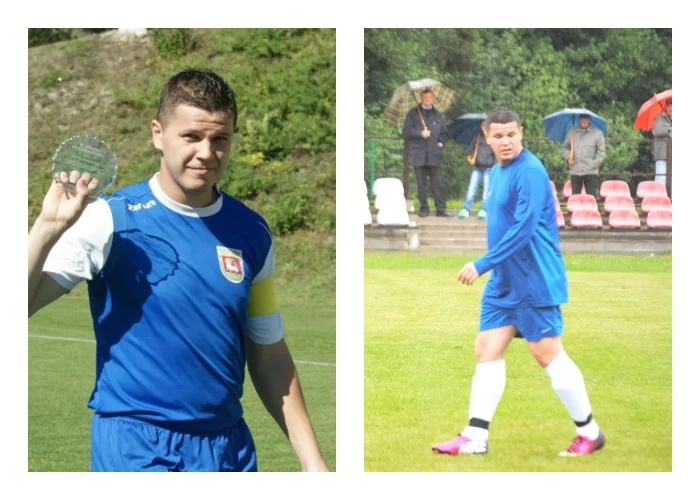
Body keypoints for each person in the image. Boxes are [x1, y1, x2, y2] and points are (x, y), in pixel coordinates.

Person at [28, 68, 330, 472]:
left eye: (219, 139)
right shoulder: (110, 219)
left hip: (228, 448)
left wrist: (314, 463)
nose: (206, 152)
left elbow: (269, 350)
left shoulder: (251, 232)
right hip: (137, 445)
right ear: (158, 133)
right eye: (191, 136)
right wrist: (46, 227)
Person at [432, 107, 605, 457]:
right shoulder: (497, 171)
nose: (506, 141)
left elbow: (523, 229)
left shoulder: (530, 172)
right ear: (487, 137)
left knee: (546, 352)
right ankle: (475, 436)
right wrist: (494, 269)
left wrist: (482, 264)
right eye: (498, 136)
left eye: (511, 134)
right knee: (487, 348)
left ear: (521, 133)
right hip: (504, 282)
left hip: (532, 279)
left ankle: (590, 432)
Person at [403, 89, 449, 217]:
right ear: (421, 98)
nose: (427, 99)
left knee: (438, 183)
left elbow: (444, 134)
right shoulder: (412, 114)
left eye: (430, 97)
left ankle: (441, 209)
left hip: (435, 154)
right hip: (419, 154)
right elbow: (406, 132)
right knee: (421, 183)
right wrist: (420, 133)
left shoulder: (439, 115)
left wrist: (441, 143)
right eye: (425, 97)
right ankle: (424, 208)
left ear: (433, 98)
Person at [561, 113, 606, 199]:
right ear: (579, 119)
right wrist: (568, 158)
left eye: (586, 118)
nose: (584, 121)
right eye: (582, 118)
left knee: (591, 199)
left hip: (591, 172)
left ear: (590, 120)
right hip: (575, 170)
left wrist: (593, 164)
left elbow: (601, 152)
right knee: (575, 199)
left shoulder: (598, 133)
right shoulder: (572, 132)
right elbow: (565, 147)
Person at [459, 120, 495, 219]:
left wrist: (495, 166)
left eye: (486, 125)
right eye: (483, 125)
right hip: (477, 168)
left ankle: (484, 209)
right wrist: (470, 159)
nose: (484, 128)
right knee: (471, 189)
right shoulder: (477, 138)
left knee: (486, 191)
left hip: (489, 169)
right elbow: (471, 151)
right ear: (481, 127)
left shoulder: (493, 139)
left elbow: (496, 155)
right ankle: (466, 209)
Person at [652, 98, 672, 193]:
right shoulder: (659, 118)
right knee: (660, 181)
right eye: (669, 106)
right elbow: (657, 131)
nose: (671, 109)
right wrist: (670, 130)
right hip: (662, 155)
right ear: (665, 107)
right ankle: (659, 200)